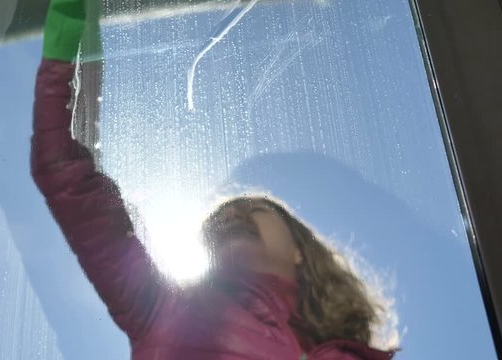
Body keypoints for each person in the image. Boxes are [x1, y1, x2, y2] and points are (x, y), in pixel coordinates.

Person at [31, 1, 397, 358]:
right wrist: (62, 48)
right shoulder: (163, 311)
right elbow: (65, 178)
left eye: (254, 208)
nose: (234, 216)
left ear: (300, 250)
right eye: (221, 220)